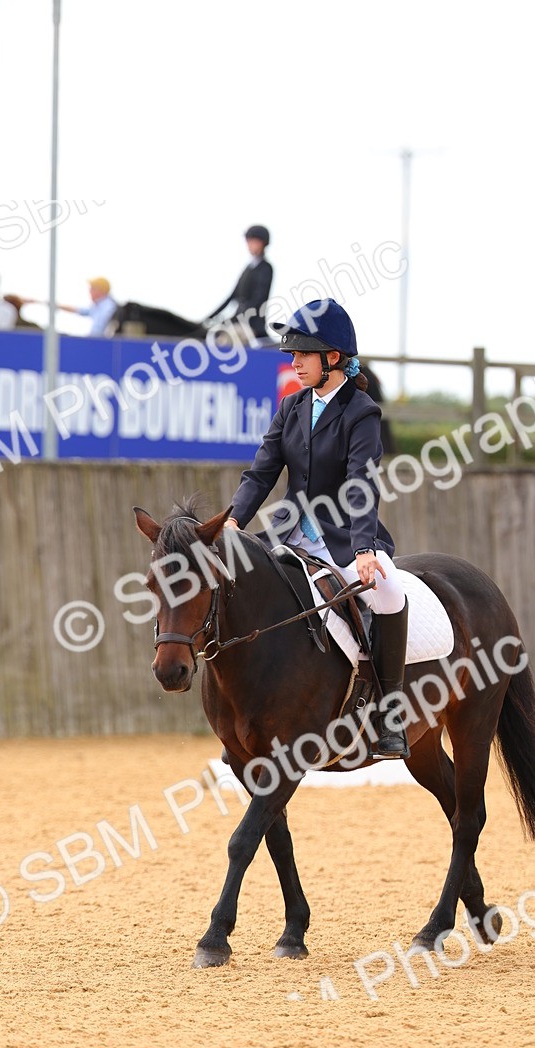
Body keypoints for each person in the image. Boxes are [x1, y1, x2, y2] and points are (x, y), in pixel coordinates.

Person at [224, 298, 409, 758]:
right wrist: (232, 520)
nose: (294, 363)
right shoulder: (291, 406)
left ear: (332, 358)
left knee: (389, 595)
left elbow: (361, 483)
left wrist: (364, 548)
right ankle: (244, 719)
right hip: (287, 534)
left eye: (302, 355)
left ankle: (390, 714)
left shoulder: (361, 411)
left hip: (344, 539)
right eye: (292, 355)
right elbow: (261, 473)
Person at [205, 225, 273, 340]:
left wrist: (233, 319)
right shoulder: (248, 269)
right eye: (248, 242)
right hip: (238, 321)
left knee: (225, 339)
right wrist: (210, 317)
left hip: (252, 325)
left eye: (253, 241)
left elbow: (258, 300)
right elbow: (232, 297)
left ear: (262, 243)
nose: (249, 245)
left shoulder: (266, 268)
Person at [47, 276, 118, 335]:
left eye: (92, 289)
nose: (89, 292)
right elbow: (78, 310)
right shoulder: (98, 306)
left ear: (100, 290)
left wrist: (88, 342)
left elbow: (97, 330)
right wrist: (53, 305)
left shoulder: (108, 307)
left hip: (104, 346)